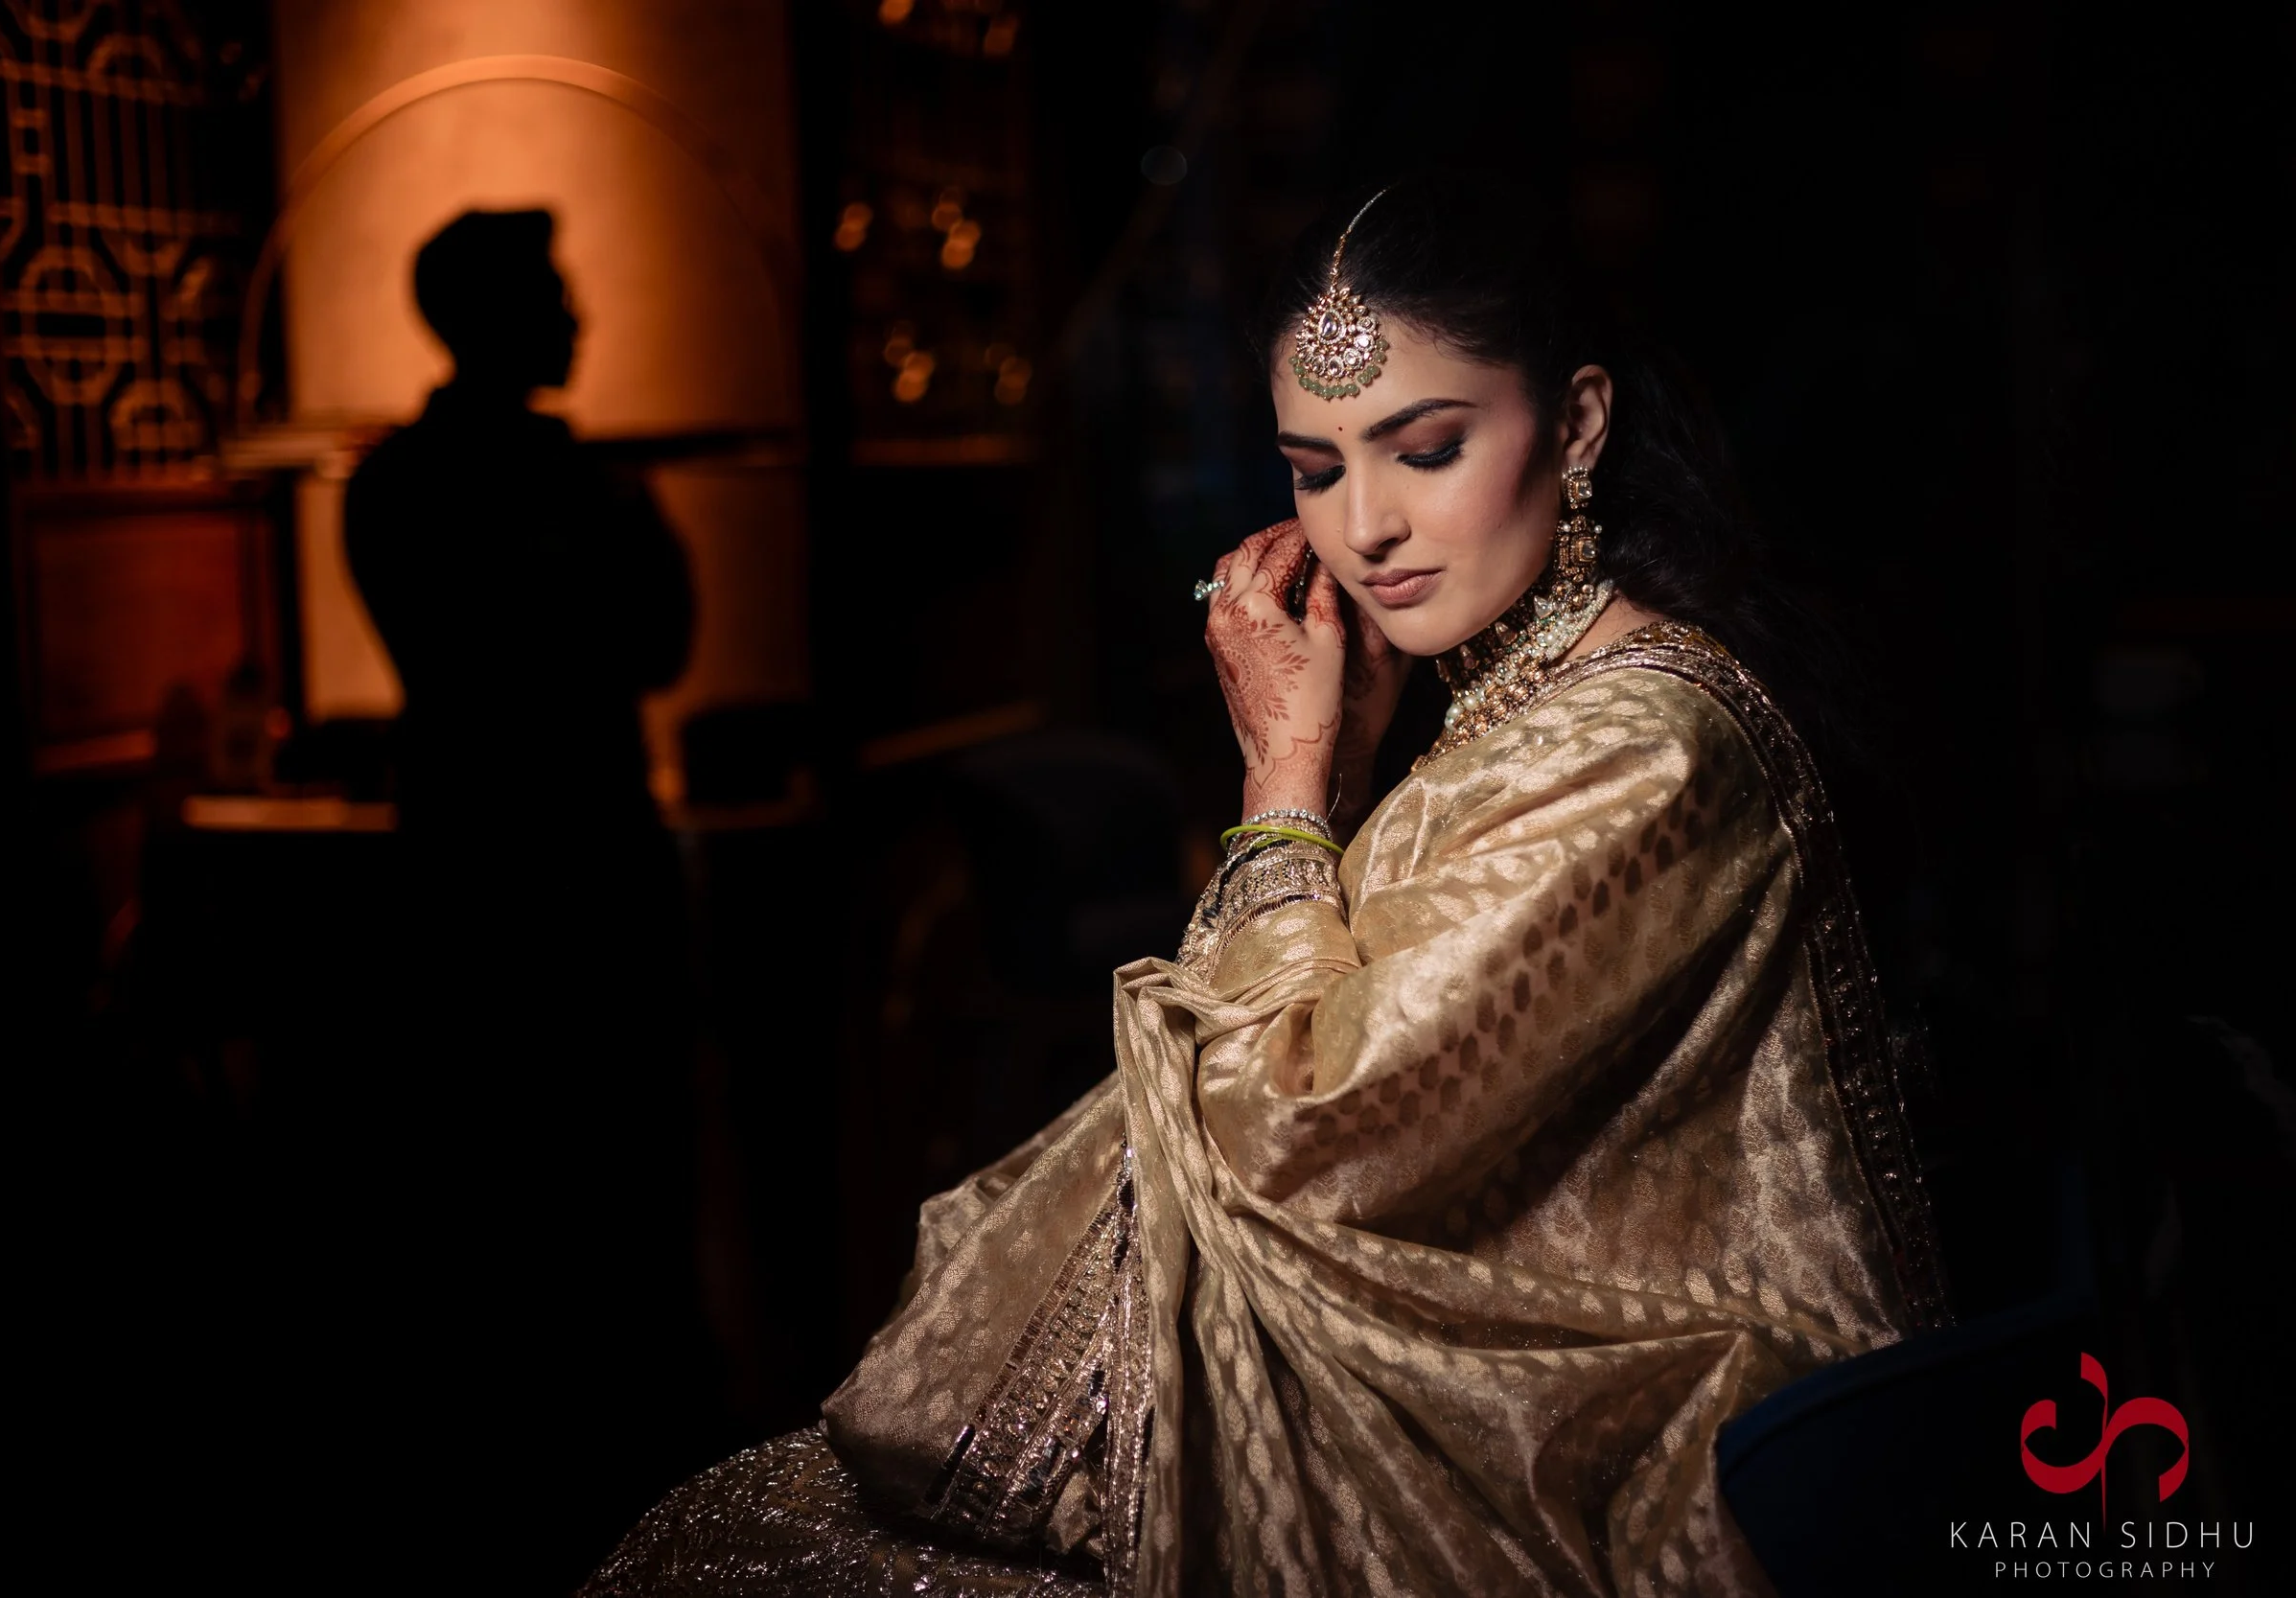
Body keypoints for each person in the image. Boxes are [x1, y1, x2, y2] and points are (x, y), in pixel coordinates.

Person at [581, 174, 1948, 1597]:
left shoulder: (1649, 747)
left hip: (1589, 1442)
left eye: (1426, 448)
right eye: (1314, 467)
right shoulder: (1513, 701)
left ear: (1580, 424)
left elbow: (1299, 1122)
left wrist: (1286, 792)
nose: (1366, 527)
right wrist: (1329, 789)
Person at [343, 208, 707, 1590]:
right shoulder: (448, 486)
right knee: (550, 1181)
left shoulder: (433, 484)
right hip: (530, 870)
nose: (578, 317)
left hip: (516, 862)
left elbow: (647, 641)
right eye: (552, 291)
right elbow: (621, 643)